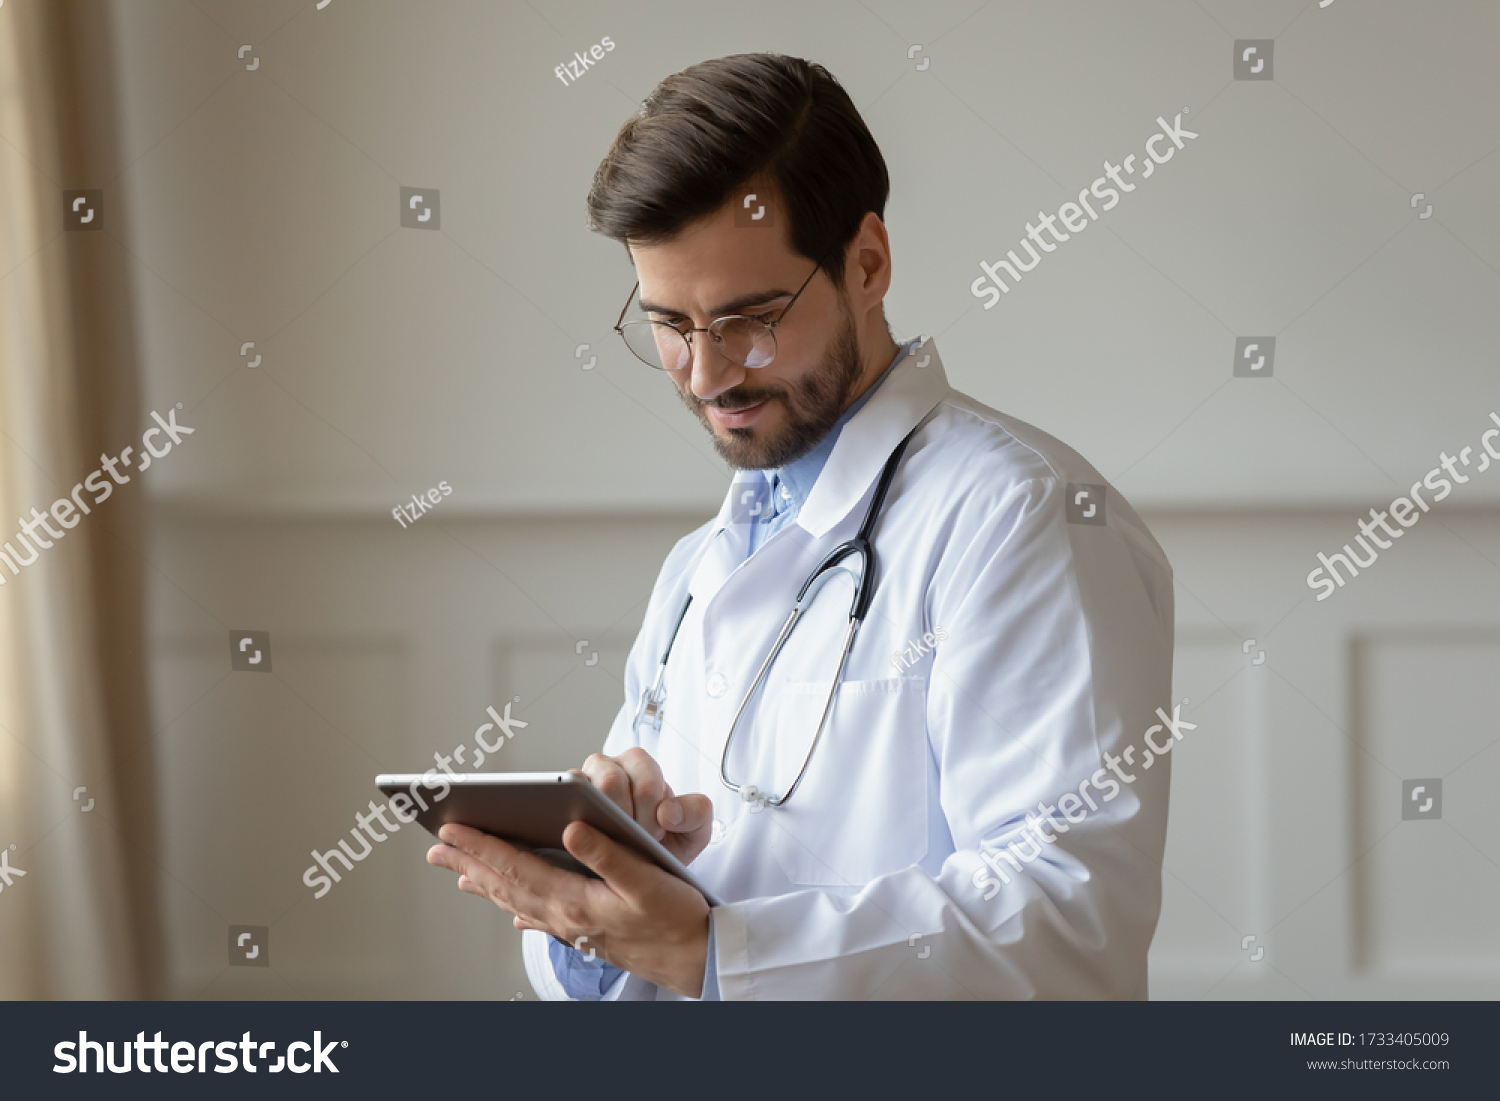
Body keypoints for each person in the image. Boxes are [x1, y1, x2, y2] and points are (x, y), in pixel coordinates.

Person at [426, 52, 1175, 1000]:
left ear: (866, 263)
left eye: (748, 319)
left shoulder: (1022, 519)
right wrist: (599, 896)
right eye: (669, 324)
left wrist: (711, 952)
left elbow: (1067, 927)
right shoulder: (699, 568)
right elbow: (656, 935)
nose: (706, 376)